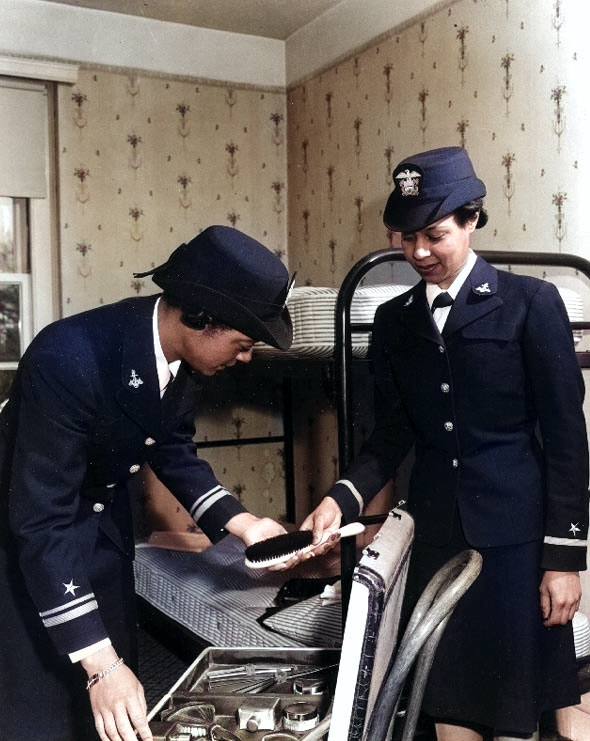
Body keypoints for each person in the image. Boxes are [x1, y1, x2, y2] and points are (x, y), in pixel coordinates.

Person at [297, 147, 589, 740]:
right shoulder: (394, 321)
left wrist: (563, 560)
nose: (419, 253)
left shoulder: (530, 304)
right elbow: (390, 435)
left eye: (434, 234)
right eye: (405, 238)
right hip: (435, 538)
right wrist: (342, 498)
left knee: (513, 714)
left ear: (471, 220)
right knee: (446, 701)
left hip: (517, 543)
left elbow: (566, 440)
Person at [0, 225, 294, 741]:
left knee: (117, 712)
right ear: (200, 318)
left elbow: (173, 448)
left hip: (101, 533)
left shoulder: (178, 357)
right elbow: (41, 521)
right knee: (42, 711)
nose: (245, 358)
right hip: (26, 547)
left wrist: (245, 525)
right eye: (244, 343)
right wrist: (100, 665)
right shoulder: (67, 356)